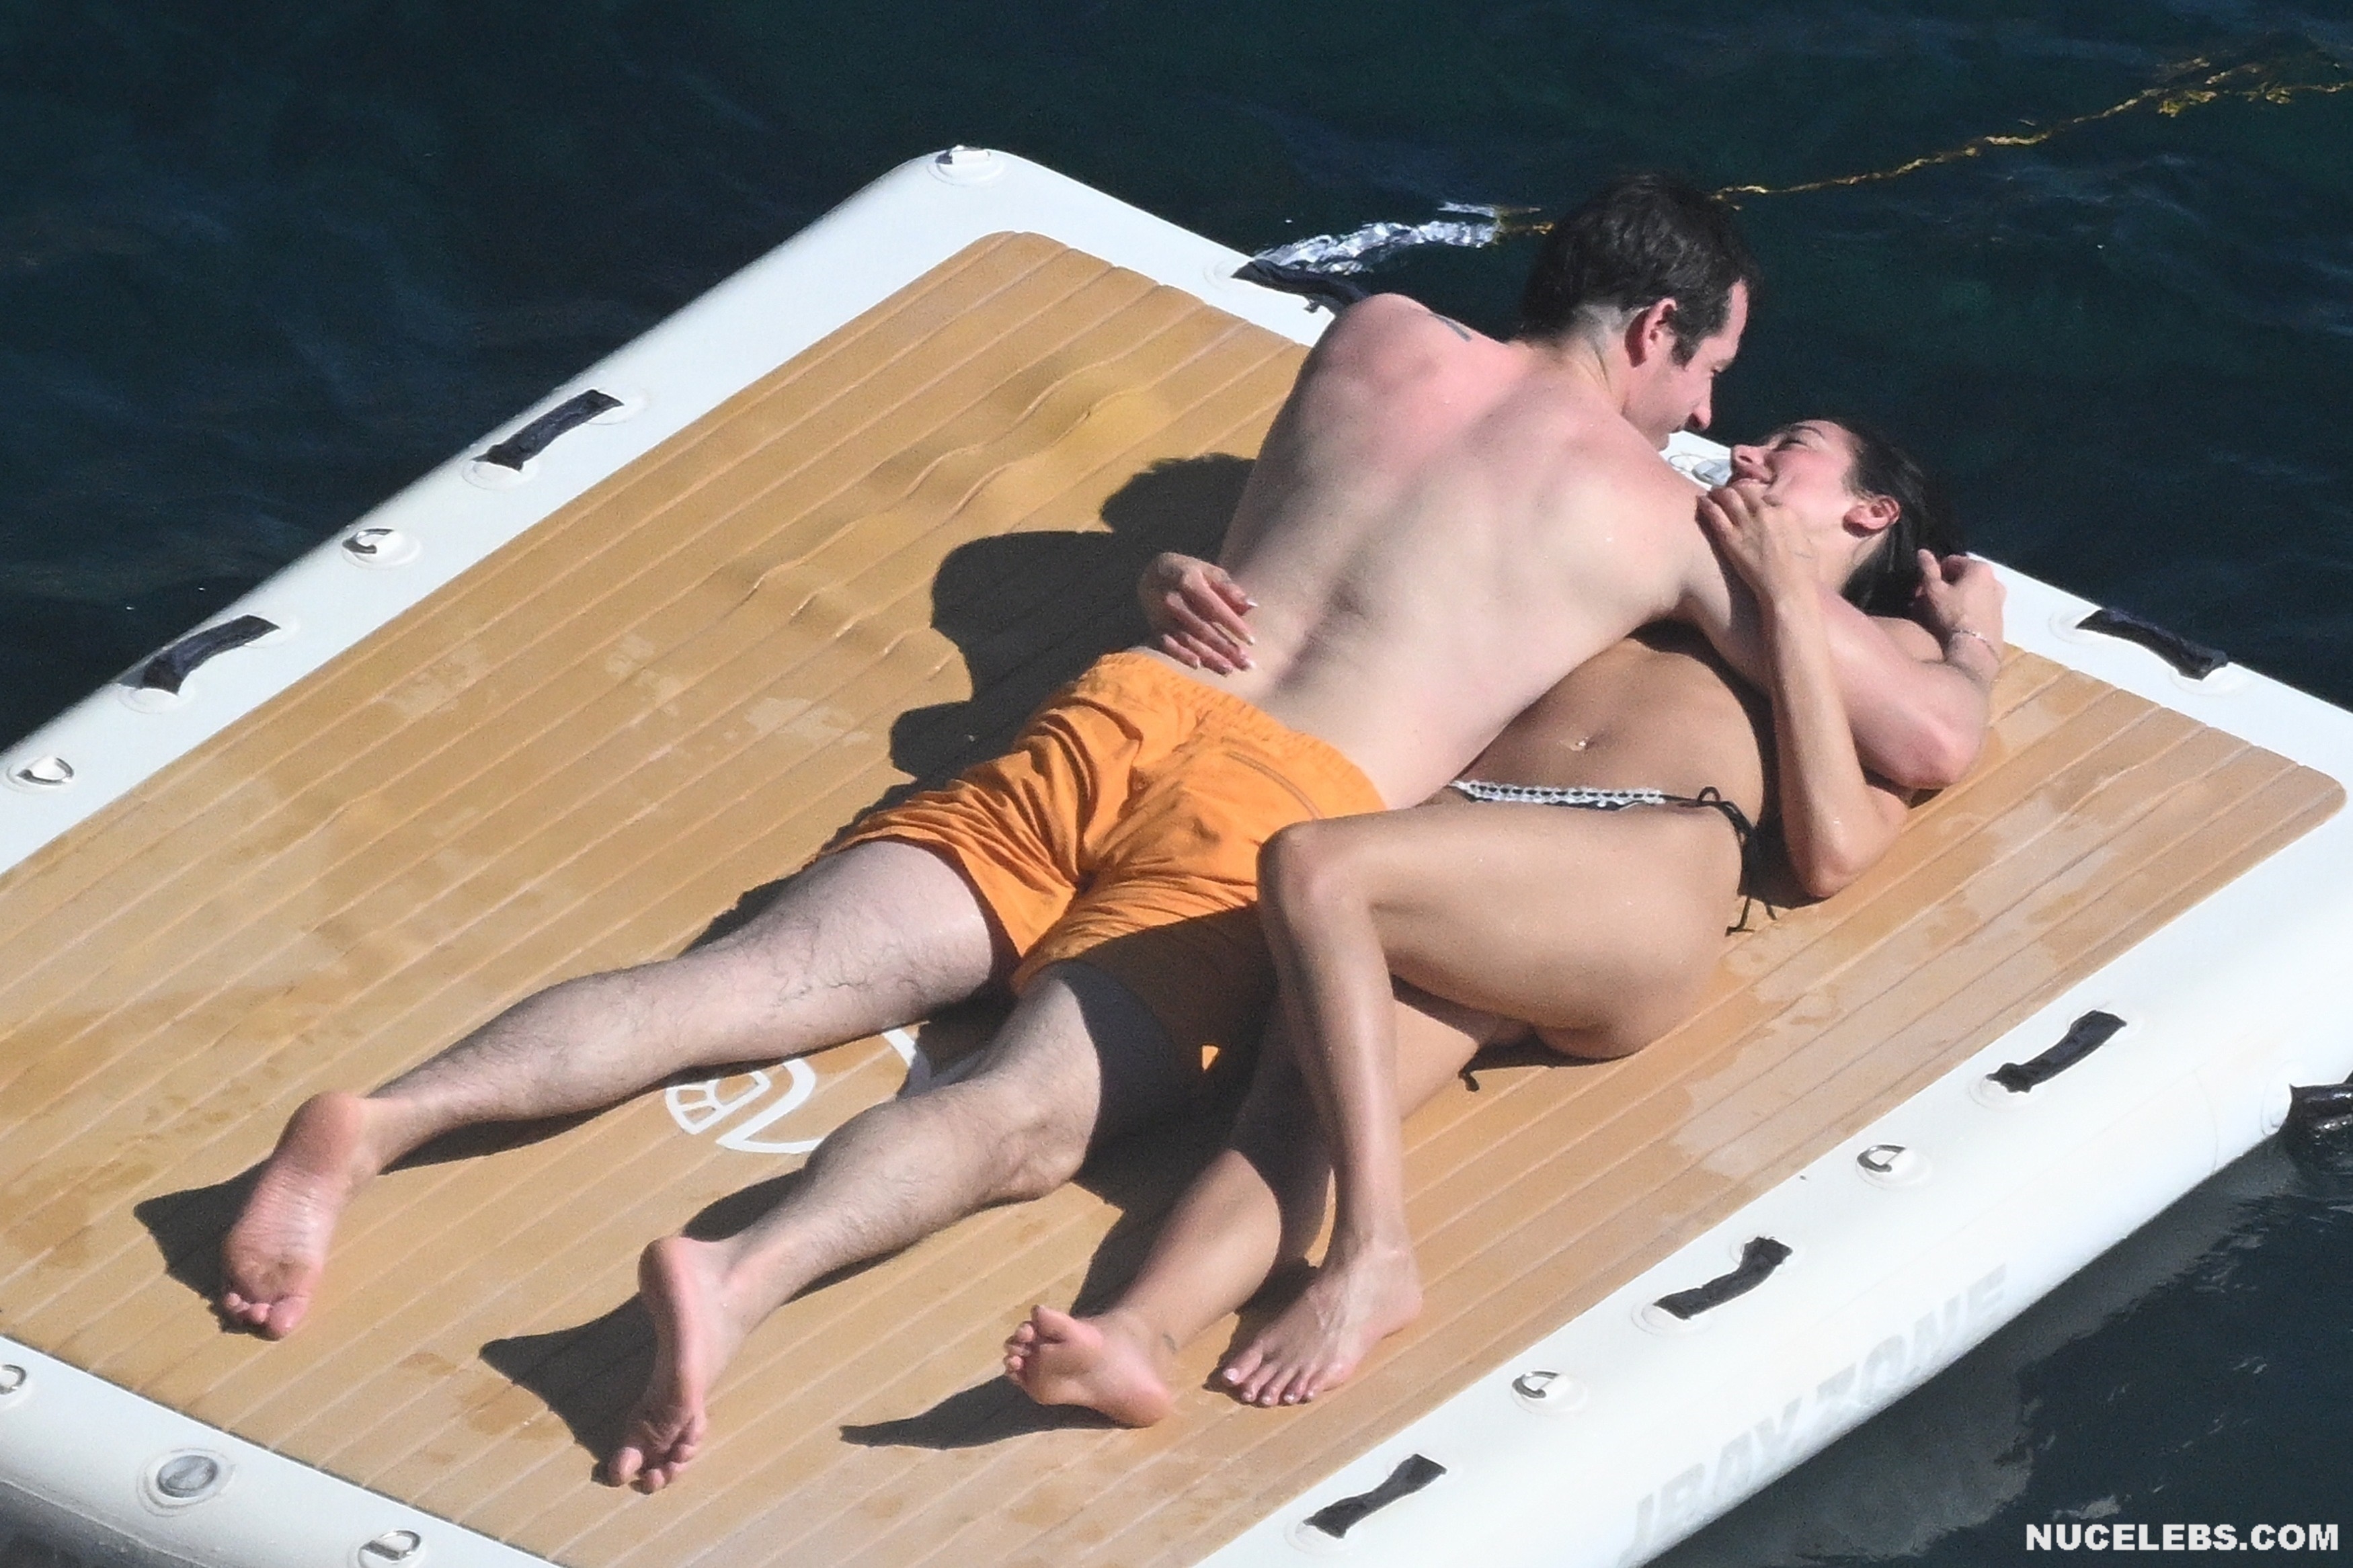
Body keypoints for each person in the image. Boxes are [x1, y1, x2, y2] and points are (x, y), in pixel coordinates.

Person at [215, 174, 2001, 1493]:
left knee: (742, 984)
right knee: (1009, 1117)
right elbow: (1920, 739)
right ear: (1653, 330)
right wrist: (1924, 630)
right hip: (1273, 811)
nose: (1707, 417)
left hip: (1131, 703)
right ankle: (736, 1273)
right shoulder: (1656, 515)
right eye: (1711, 369)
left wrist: (1159, 570)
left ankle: (375, 1123)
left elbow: (1307, 527)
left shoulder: (1377, 335)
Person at [1003, 418, 1993, 1424]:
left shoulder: (1886, 651)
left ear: (1872, 511)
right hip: (1470, 865)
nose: (1746, 452)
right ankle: (1140, 1335)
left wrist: (1898, 624)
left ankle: (1375, 1253)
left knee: (1315, 864)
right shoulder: (1658, 544)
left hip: (1637, 866)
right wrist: (1170, 574)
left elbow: (1835, 851)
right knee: (1300, 1111)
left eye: (1792, 444)